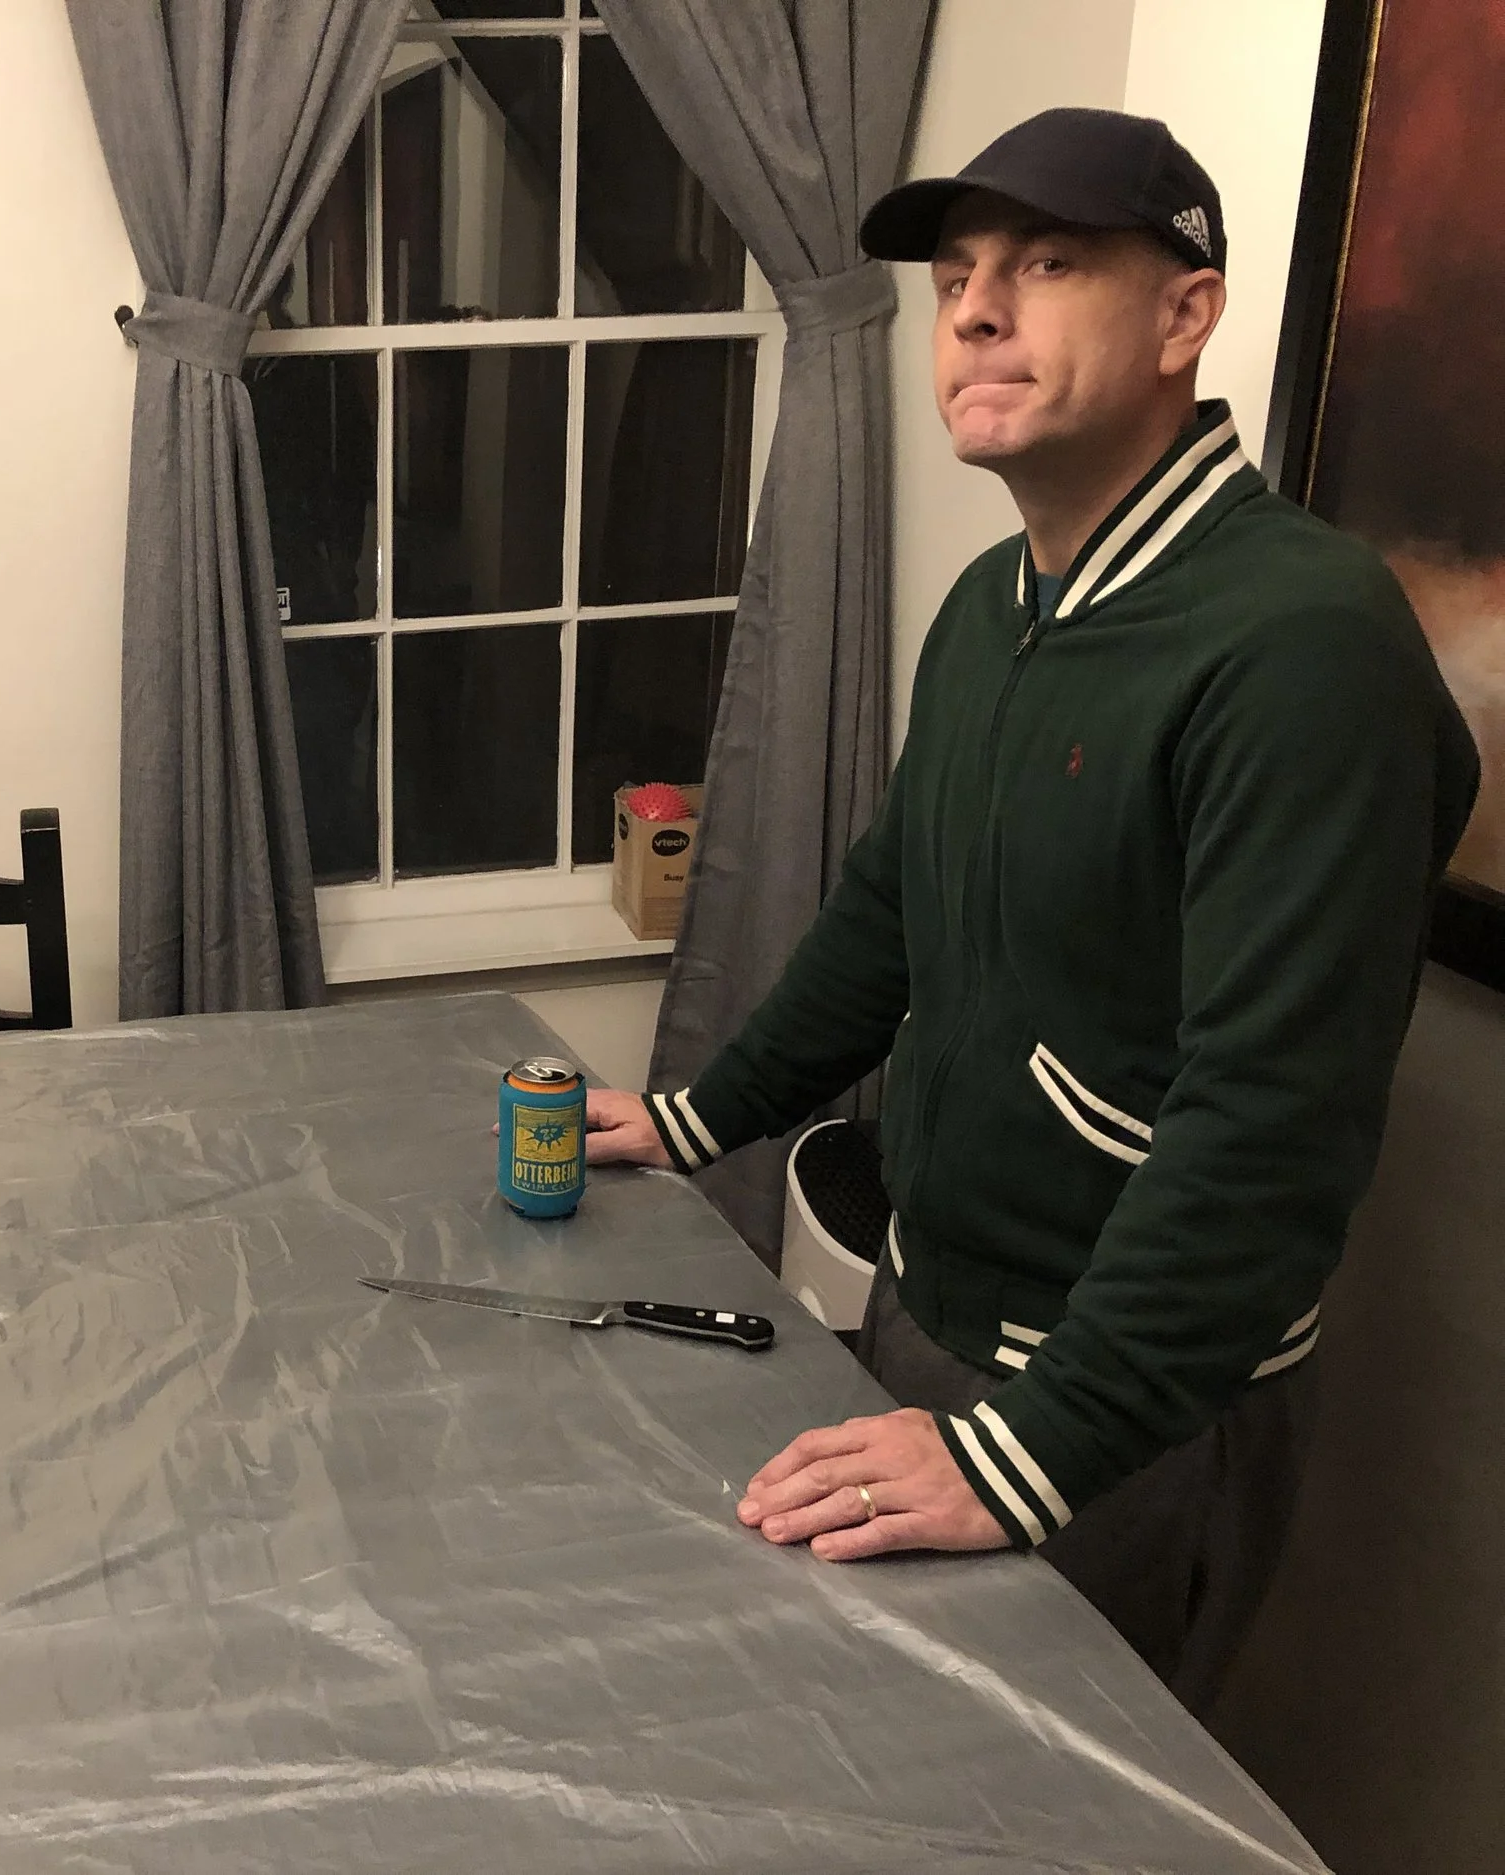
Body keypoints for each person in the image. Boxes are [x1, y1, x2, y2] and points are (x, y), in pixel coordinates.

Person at [584, 108, 1480, 1714]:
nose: (978, 312)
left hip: (1116, 1407)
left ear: (1186, 315)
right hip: (935, 1317)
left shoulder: (1302, 643)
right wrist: (692, 1117)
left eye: (1049, 265)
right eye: (956, 278)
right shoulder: (993, 606)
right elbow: (891, 910)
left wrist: (1027, 1450)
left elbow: (1273, 1118)